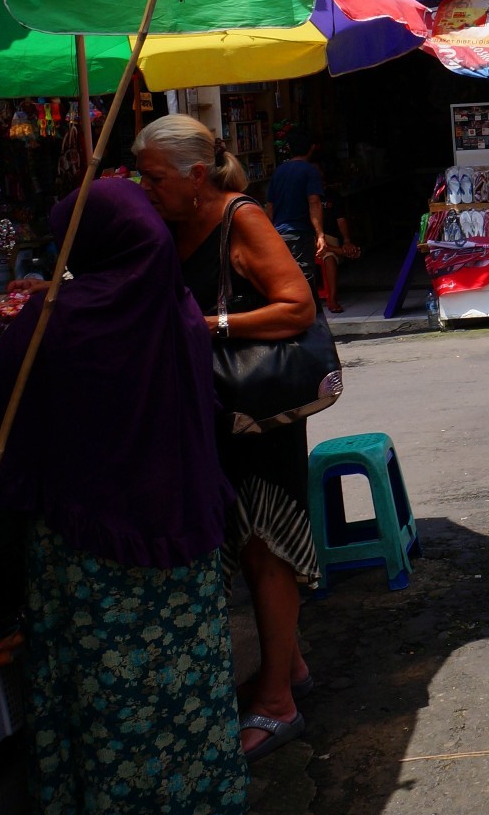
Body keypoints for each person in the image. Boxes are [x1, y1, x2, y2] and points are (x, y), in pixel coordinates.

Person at [0, 179, 245, 815]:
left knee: (106, 686)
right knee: (183, 679)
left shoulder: (57, 319)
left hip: (92, 542)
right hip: (180, 528)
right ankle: (200, 807)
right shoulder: (175, 307)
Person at [134, 114, 319, 761]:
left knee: (266, 548)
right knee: (242, 547)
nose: (144, 186)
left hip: (259, 414)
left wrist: (210, 324)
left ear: (193, 174)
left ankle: (277, 704)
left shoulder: (240, 218)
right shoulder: (173, 225)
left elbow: (296, 306)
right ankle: (285, 668)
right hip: (216, 416)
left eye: (153, 176)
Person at [266, 128, 327, 286]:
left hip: (279, 234)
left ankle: (311, 310)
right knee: (304, 278)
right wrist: (320, 235)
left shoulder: (278, 172)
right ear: (312, 147)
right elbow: (314, 202)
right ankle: (308, 310)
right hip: (299, 234)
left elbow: (270, 206)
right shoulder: (310, 171)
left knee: (285, 278)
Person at [318, 181, 361, 315]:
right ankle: (343, 252)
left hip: (327, 238)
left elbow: (341, 219)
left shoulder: (332, 195)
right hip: (310, 237)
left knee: (328, 255)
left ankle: (331, 298)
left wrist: (347, 240)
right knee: (326, 251)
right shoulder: (302, 196)